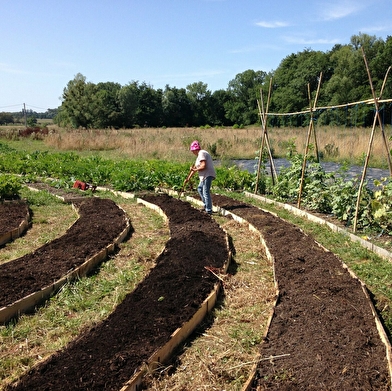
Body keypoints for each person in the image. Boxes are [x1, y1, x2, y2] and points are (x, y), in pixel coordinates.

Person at [188, 140, 216, 214]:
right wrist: (188, 178)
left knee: (205, 191)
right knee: (200, 189)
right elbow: (194, 169)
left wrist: (194, 169)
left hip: (207, 175)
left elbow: (203, 166)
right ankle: (206, 205)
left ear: (195, 149)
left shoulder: (201, 153)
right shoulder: (198, 157)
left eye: (192, 150)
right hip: (204, 176)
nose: (192, 152)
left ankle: (209, 210)